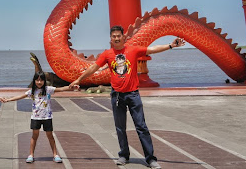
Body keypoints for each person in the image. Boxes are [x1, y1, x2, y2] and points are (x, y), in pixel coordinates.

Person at [70, 26, 185, 169]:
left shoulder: (133, 50)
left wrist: (170, 45)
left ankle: (150, 158)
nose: (117, 38)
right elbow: (93, 68)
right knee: (120, 128)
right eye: (114, 36)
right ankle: (124, 155)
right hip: (117, 95)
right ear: (111, 39)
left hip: (133, 95)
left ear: (123, 37)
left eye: (119, 36)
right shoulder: (107, 54)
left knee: (141, 126)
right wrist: (79, 80)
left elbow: (152, 49)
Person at [4, 71, 77, 164]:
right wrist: (8, 99)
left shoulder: (48, 89)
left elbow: (62, 89)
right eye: (37, 80)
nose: (39, 82)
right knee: (34, 136)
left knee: (50, 136)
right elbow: (20, 96)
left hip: (47, 117)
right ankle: (31, 155)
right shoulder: (32, 91)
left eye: (41, 80)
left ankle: (55, 155)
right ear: (34, 81)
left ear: (44, 81)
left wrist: (72, 88)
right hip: (35, 117)